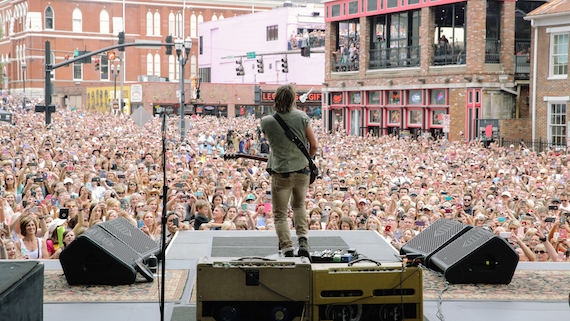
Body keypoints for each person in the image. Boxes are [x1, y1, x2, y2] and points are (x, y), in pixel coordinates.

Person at [260, 84, 319, 258]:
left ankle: (287, 248)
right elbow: (314, 145)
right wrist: (305, 159)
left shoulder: (267, 121)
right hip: (302, 171)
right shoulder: (302, 116)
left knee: (279, 214)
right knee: (299, 206)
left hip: (281, 172)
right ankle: (303, 241)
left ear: (275, 99)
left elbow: (269, 139)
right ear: (293, 99)